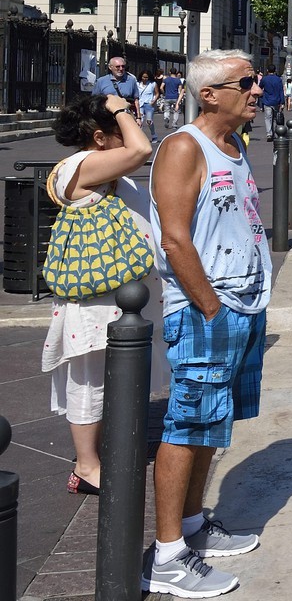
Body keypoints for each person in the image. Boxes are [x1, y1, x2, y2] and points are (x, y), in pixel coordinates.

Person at [143, 50, 270, 597]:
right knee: (187, 426)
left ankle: (193, 525)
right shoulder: (182, 149)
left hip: (241, 306)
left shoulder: (233, 145)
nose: (259, 90)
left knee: (212, 426)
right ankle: (168, 555)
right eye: (247, 82)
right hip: (205, 311)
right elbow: (174, 238)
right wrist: (210, 308)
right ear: (209, 94)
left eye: (257, 80)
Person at [40, 94, 156, 497]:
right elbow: (142, 149)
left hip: (115, 295)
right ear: (100, 137)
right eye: (119, 128)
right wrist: (121, 108)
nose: (128, 133)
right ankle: (88, 466)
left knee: (108, 377)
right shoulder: (84, 165)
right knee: (89, 380)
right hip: (96, 298)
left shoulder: (100, 167)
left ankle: (102, 453)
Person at [259, 67, 285, 141]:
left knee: (268, 118)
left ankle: (269, 134)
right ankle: (277, 132)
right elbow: (281, 91)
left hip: (267, 101)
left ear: (267, 70)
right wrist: (282, 102)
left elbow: (260, 87)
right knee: (276, 118)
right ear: (275, 71)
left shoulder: (264, 79)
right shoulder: (278, 79)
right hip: (276, 101)